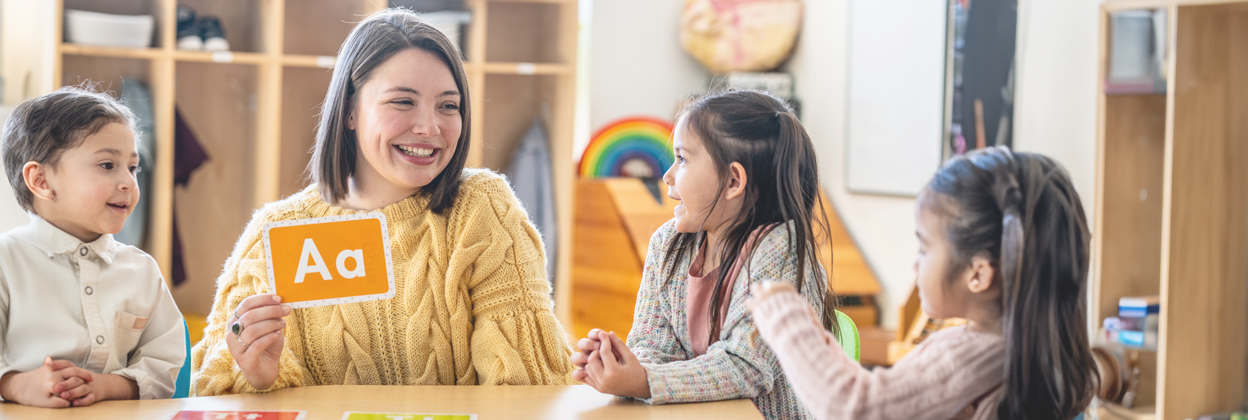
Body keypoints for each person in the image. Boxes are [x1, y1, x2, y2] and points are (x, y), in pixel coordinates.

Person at [191, 8, 574, 395]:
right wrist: (258, 375)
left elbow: (531, 388)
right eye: (403, 102)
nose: (429, 127)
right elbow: (208, 387)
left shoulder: (482, 209)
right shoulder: (272, 235)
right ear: (350, 112)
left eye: (448, 105)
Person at [750, 146, 1099, 419]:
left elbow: (855, 408)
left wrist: (787, 323)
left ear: (977, 274)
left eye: (924, 247)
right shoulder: (1043, 348)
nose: (915, 263)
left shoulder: (966, 355)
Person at [572, 90, 840, 420]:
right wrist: (621, 367)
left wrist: (645, 381)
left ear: (732, 180)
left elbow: (746, 367)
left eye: (682, 159)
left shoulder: (779, 251)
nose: (667, 176)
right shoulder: (668, 245)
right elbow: (653, 346)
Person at [0, 86, 185, 407]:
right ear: (41, 181)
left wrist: (108, 386)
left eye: (132, 166)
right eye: (107, 165)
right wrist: (15, 385)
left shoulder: (141, 269)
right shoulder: (7, 259)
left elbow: (165, 366)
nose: (128, 181)